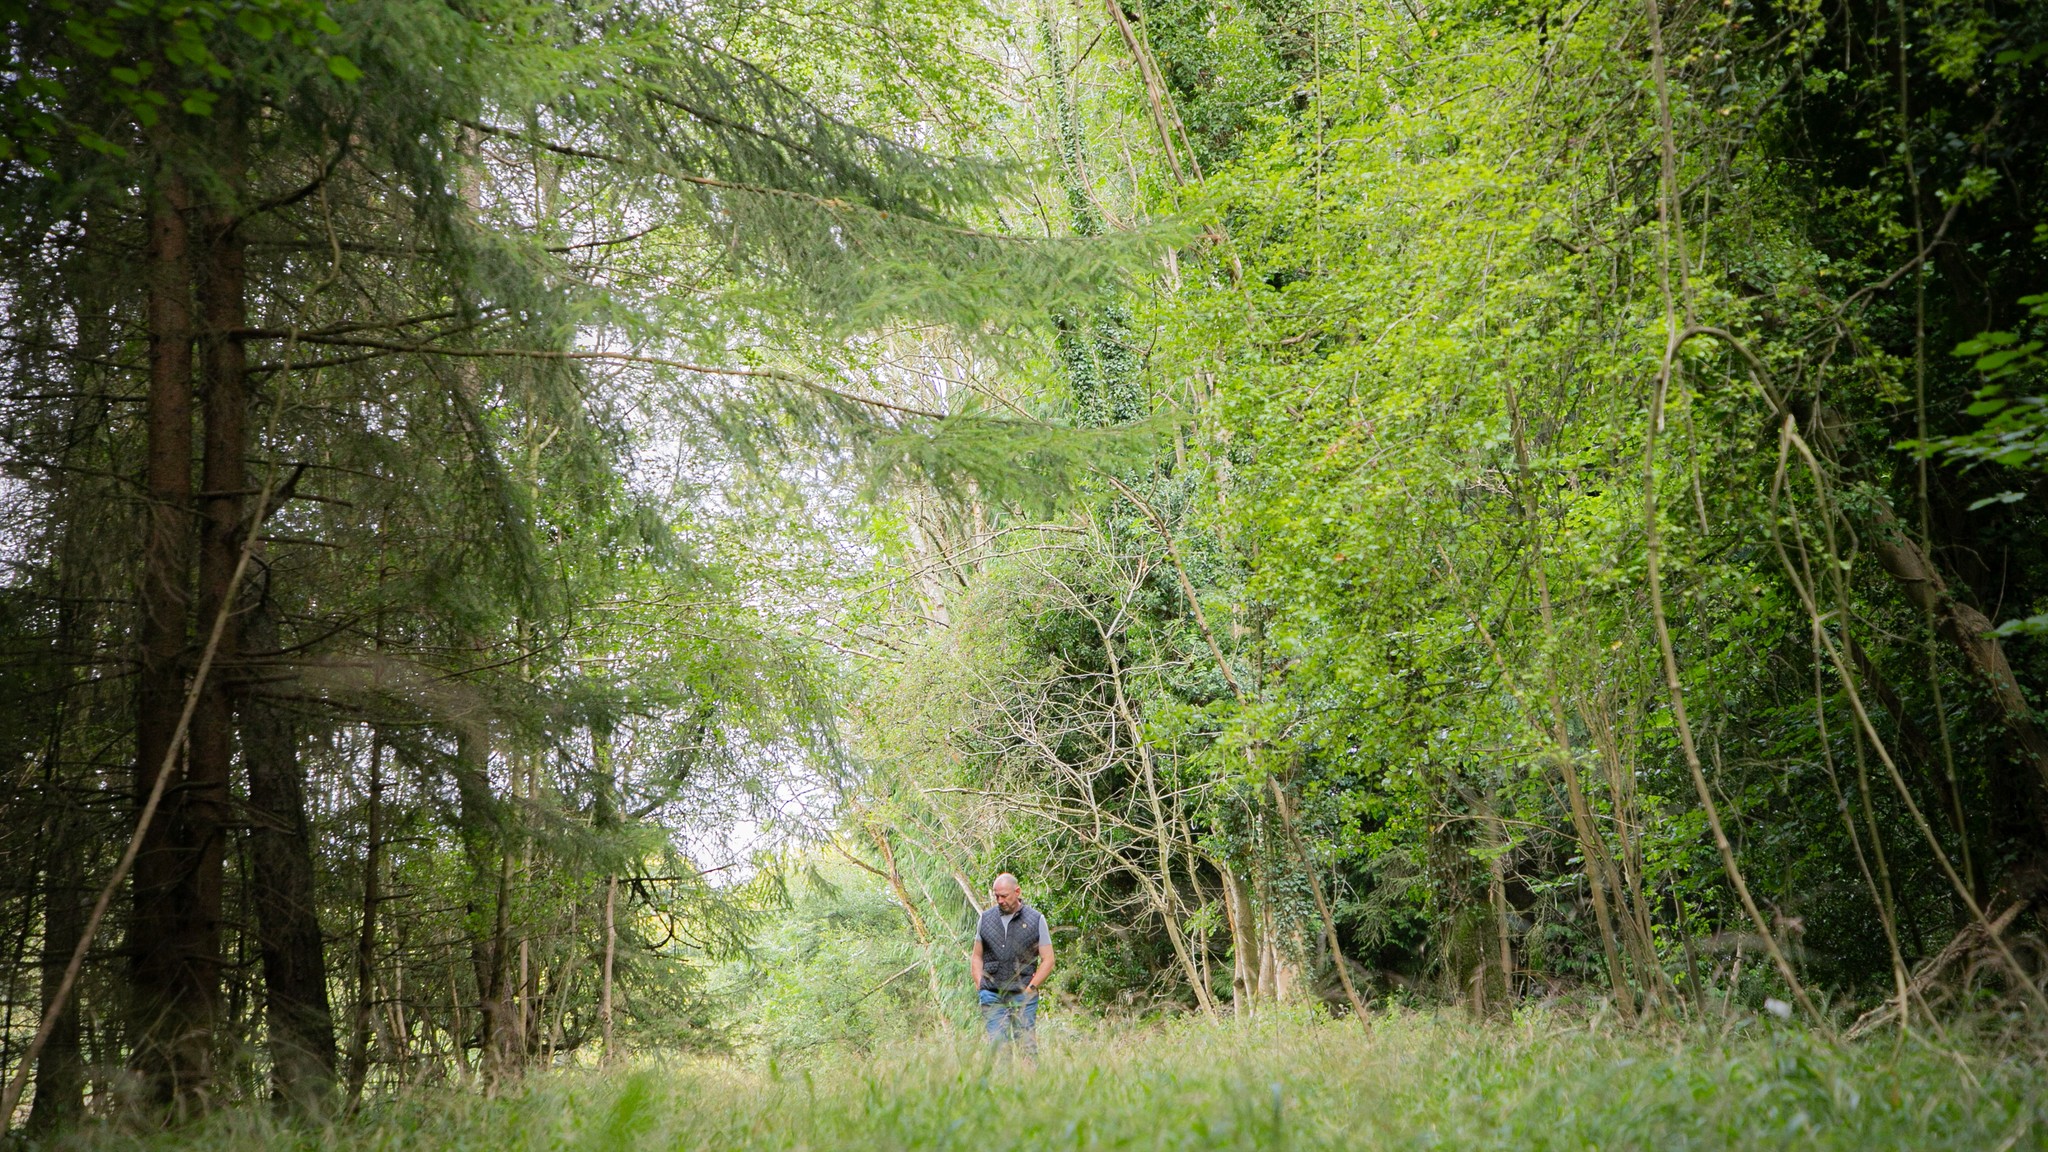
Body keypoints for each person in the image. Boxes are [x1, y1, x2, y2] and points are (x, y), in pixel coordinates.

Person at [970, 873, 1053, 1053]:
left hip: (1023, 994)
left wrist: (1031, 988)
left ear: (1017, 892)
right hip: (992, 994)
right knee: (998, 1048)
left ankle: (1029, 1081)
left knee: (1027, 1048)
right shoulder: (985, 919)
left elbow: (1048, 960)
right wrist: (979, 984)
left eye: (1004, 896)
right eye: (996, 896)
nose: (999, 900)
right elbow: (976, 956)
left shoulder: (1036, 919)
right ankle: (1003, 1082)